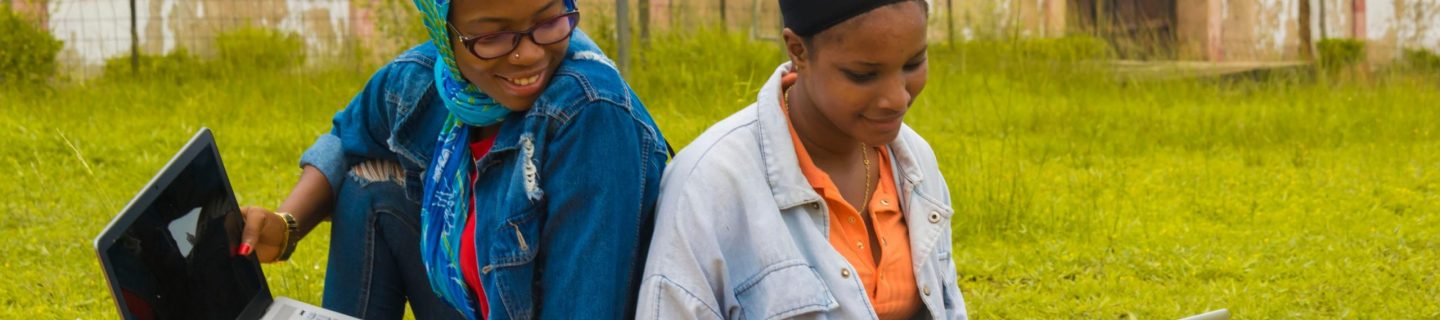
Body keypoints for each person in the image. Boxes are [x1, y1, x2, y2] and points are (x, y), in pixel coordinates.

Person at [237, 0, 669, 318]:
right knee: (367, 187)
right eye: (492, 36)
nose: (530, 54)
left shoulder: (588, 116)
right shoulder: (431, 81)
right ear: (445, 33)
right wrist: (286, 226)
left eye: (549, 20)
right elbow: (350, 135)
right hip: (478, 301)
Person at [636, 0, 966, 318]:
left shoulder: (913, 160)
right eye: (863, 75)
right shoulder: (710, 182)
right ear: (798, 50)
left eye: (913, 64)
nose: (897, 98)